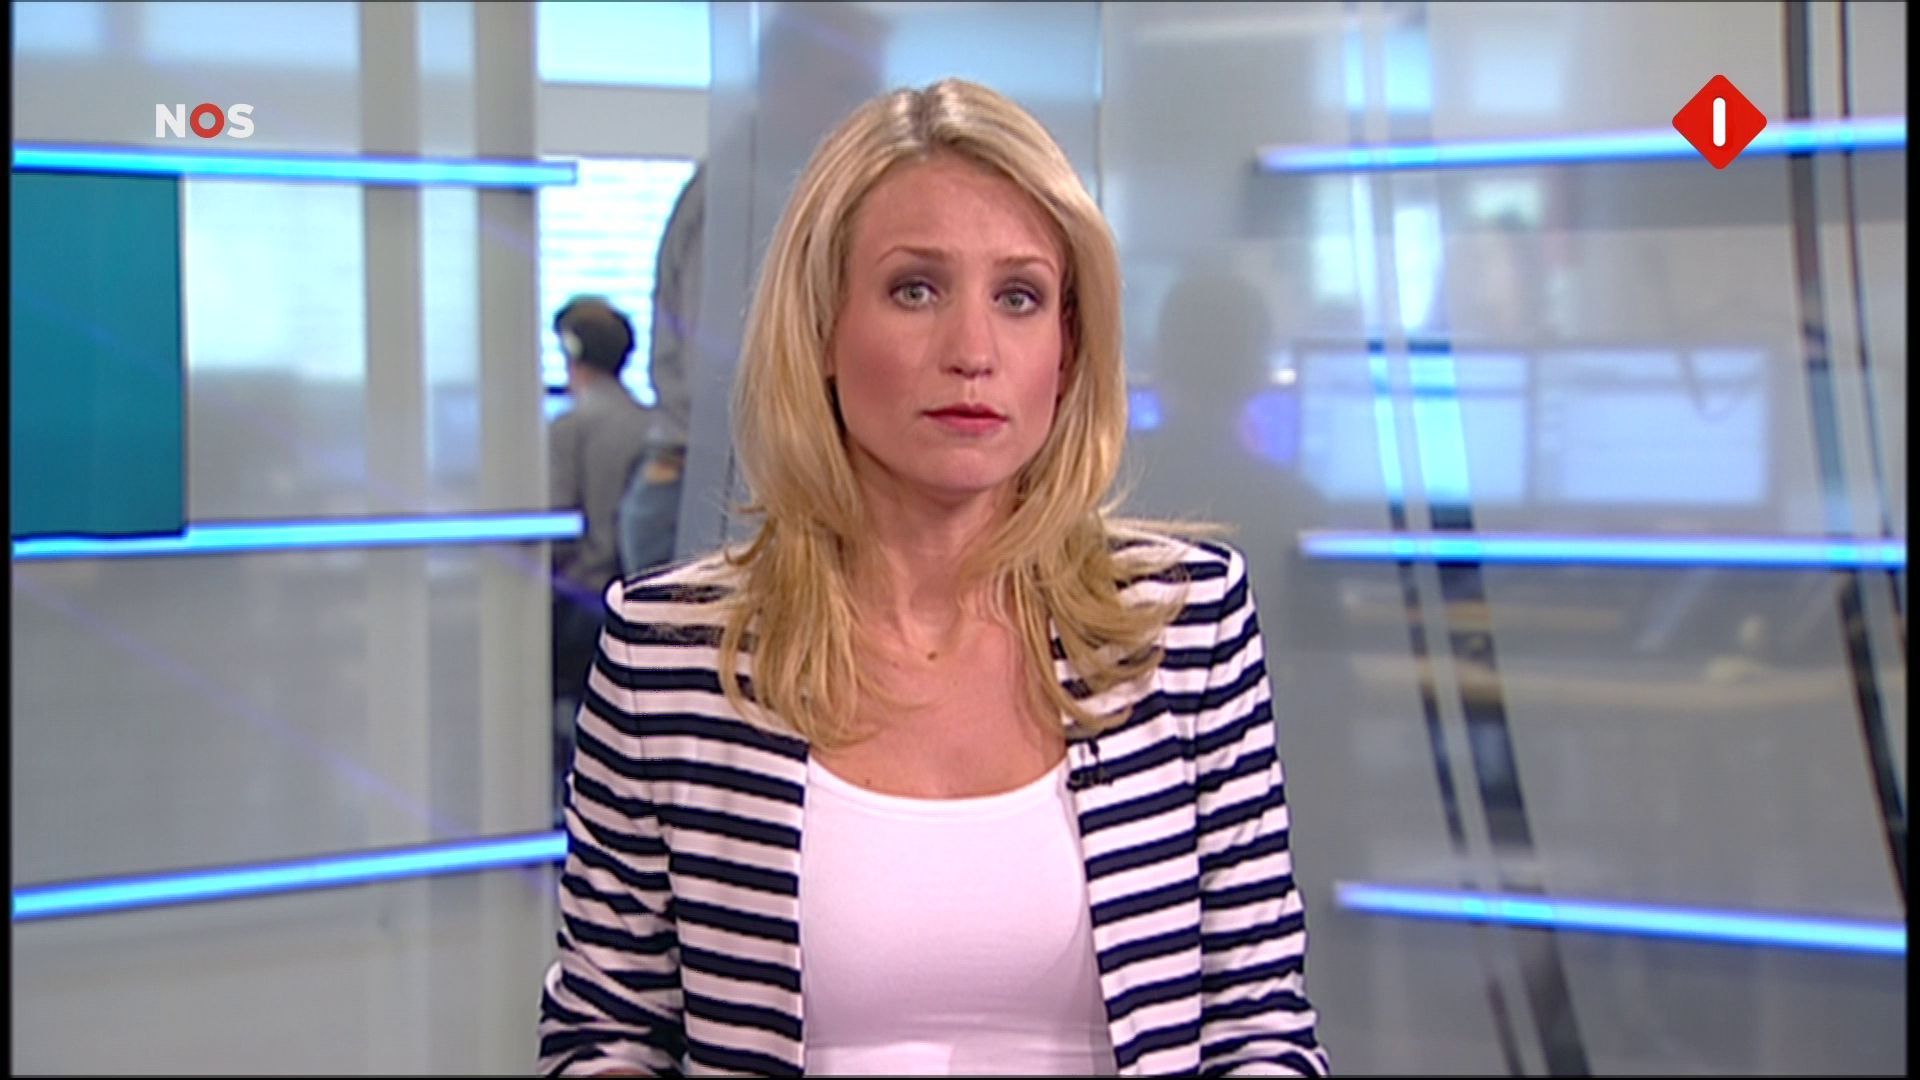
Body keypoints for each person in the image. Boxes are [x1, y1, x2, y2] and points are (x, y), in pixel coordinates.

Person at [537, 78, 1328, 1077]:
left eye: (1019, 297)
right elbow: (604, 1031)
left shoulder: (1183, 625)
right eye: (916, 289)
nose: (972, 352)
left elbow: (1261, 1026)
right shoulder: (672, 653)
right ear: (823, 327)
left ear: (1068, 347)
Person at [547, 296, 654, 744]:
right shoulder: (651, 425)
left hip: (581, 604)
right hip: (633, 597)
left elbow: (557, 529)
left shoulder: (570, 427)